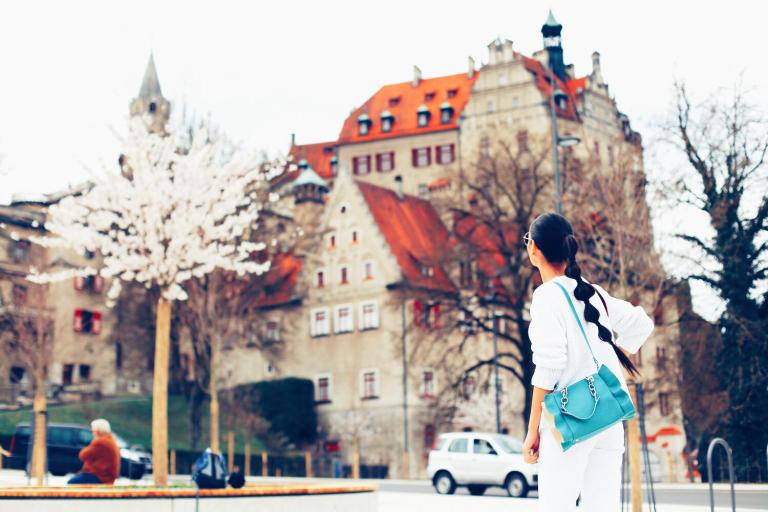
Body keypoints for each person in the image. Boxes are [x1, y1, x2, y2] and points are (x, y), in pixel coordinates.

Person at [521, 212, 654, 512]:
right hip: (608, 417)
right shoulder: (592, 293)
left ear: (534, 249)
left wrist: (532, 431)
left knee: (556, 506)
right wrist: (614, 360)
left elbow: (549, 369)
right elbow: (641, 323)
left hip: (571, 419)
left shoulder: (546, 297)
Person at [68, 419, 120, 485]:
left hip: (100, 476)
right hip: (106, 475)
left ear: (97, 431)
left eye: (92, 430)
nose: (92, 432)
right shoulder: (110, 440)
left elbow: (82, 455)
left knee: (71, 482)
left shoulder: (101, 442)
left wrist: (94, 441)